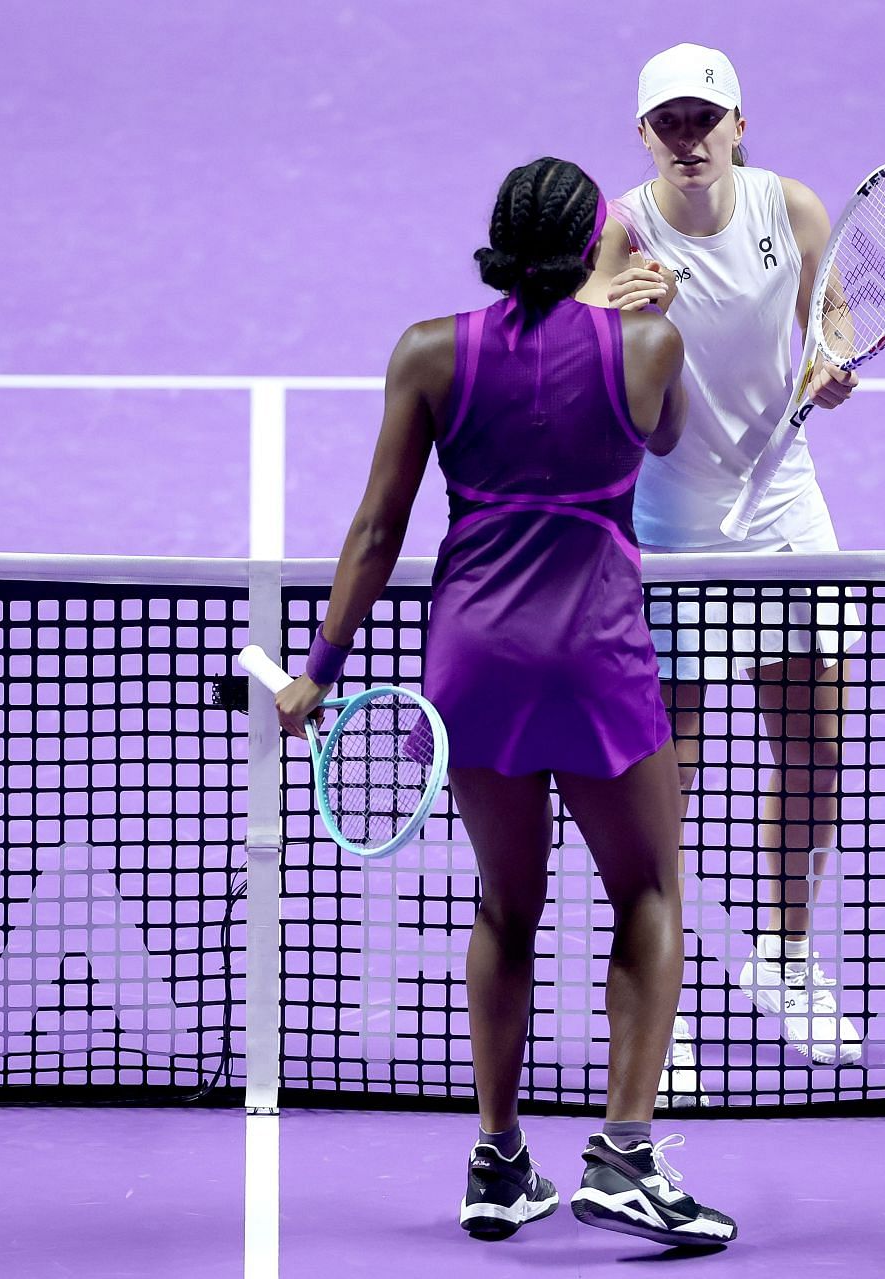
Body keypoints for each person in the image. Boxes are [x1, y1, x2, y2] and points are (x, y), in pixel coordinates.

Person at [274, 157, 736, 1249]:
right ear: (593, 249)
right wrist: (648, 311)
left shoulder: (431, 352)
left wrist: (320, 669)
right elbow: (667, 436)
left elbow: (378, 529)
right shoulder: (650, 345)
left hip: (473, 663)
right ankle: (624, 1154)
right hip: (599, 660)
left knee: (503, 906)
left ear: (495, 239)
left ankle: (497, 1161)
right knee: (648, 892)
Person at [580, 44, 865, 1093]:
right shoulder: (619, 231)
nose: (691, 136)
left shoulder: (790, 210)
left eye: (708, 118)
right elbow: (576, 370)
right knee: (670, 780)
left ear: (741, 122)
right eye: (671, 121)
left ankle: (785, 959)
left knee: (815, 748)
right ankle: (667, 992)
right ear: (644, 136)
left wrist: (830, 358)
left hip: (785, 508)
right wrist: (619, 323)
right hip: (668, 525)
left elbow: (829, 315)